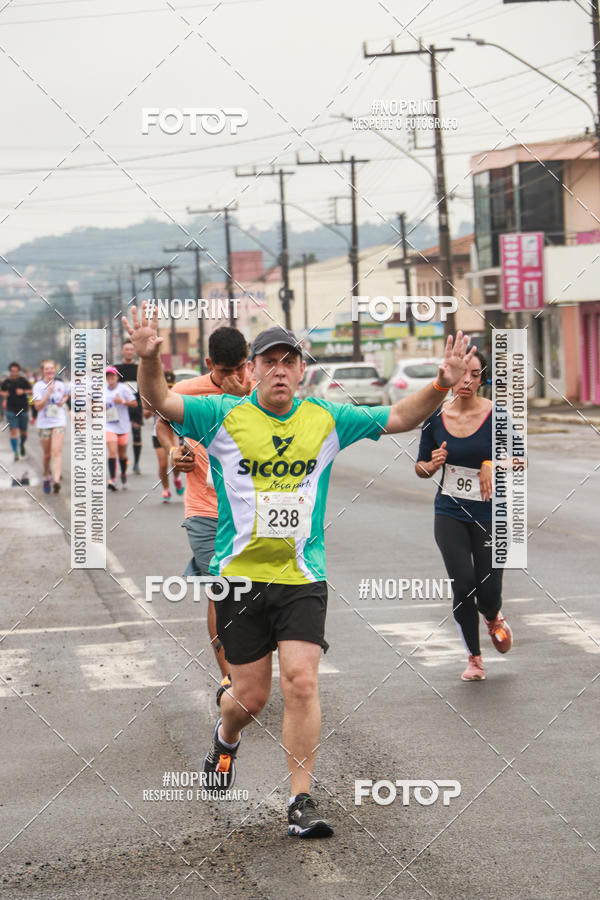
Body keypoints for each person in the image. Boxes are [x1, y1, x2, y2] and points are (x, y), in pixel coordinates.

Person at [125, 302, 475, 838]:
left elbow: (401, 417)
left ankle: (300, 800)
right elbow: (160, 400)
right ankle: (225, 738)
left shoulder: (325, 418)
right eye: (271, 361)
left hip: (301, 576)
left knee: (302, 682)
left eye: (291, 361)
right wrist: (149, 360)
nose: (281, 370)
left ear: (302, 370)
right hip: (238, 577)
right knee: (249, 698)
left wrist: (440, 385)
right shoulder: (221, 415)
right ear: (254, 369)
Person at [155, 327, 253, 687]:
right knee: (222, 589)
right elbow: (162, 422)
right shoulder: (186, 391)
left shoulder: (259, 391)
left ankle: (253, 668)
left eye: (242, 366)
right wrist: (174, 449)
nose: (236, 377)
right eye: (226, 370)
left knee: (256, 593)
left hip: (252, 510)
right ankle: (229, 678)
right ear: (210, 363)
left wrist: (245, 400)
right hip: (205, 509)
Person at [415, 349, 513, 682]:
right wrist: (431, 465)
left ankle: (493, 615)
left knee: (488, 592)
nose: (466, 381)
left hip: (490, 513)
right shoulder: (435, 417)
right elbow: (420, 466)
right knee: (463, 584)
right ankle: (474, 658)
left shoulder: (497, 416)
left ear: (483, 377)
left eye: (474, 374)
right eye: (462, 374)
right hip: (449, 512)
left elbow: (520, 459)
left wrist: (491, 464)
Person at [143, 369, 184, 502]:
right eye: (167, 386)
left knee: (175, 462)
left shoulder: (179, 394)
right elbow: (146, 415)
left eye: (171, 386)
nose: (169, 389)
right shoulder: (155, 395)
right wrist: (153, 407)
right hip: (158, 433)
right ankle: (165, 489)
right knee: (162, 465)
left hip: (176, 433)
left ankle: (177, 478)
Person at [32, 360, 70, 494]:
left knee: (56, 452)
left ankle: (56, 481)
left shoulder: (60, 384)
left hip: (59, 422)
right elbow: (37, 406)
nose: (49, 371)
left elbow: (67, 394)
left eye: (51, 368)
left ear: (55, 370)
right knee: (47, 454)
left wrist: (63, 400)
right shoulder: (38, 386)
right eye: (46, 369)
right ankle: (46, 475)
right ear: (42, 371)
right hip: (44, 424)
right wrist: (48, 393)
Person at [105, 365, 138, 491]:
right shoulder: (103, 391)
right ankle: (112, 480)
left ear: (117, 377)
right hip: (109, 425)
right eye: (108, 376)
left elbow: (134, 403)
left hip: (123, 426)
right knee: (112, 452)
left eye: (113, 375)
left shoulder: (123, 388)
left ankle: (123, 474)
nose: (111, 378)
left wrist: (122, 402)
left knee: (122, 455)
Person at [116, 340, 144, 474]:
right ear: (122, 351)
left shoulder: (139, 368)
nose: (129, 351)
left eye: (131, 349)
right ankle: (123, 459)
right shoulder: (116, 369)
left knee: (137, 433)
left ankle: (137, 463)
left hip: (135, 405)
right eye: (126, 349)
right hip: (119, 406)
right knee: (121, 437)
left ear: (134, 352)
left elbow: (144, 387)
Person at [1, 362, 32, 461]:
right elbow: (1, 391)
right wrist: (3, 394)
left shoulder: (23, 381)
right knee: (13, 432)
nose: (14, 373)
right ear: (10, 371)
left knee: (23, 433)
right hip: (11, 410)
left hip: (23, 409)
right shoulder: (6, 382)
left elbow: (32, 390)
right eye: (12, 371)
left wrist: (23, 391)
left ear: (18, 371)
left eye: (16, 371)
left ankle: (22, 444)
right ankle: (15, 452)